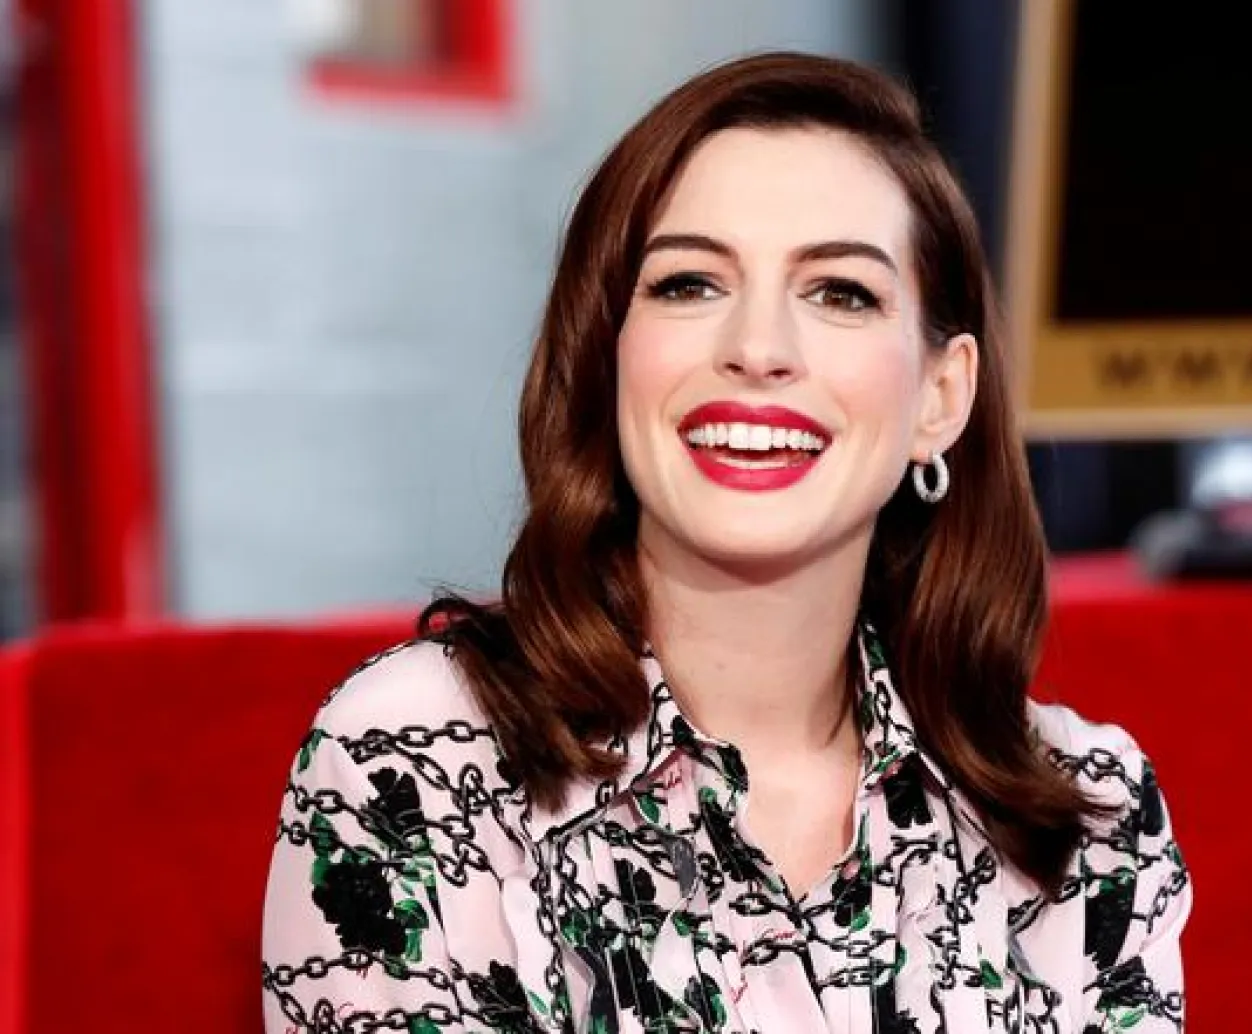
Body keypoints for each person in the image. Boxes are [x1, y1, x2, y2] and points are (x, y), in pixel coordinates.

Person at [261, 52, 1190, 1034]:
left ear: (941, 396)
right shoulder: (415, 760)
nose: (757, 348)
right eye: (690, 283)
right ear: (608, 357)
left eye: (840, 292)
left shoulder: (1089, 817)